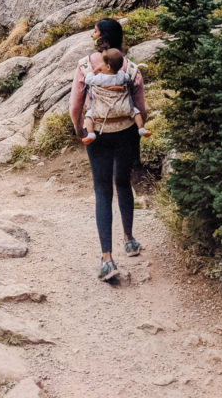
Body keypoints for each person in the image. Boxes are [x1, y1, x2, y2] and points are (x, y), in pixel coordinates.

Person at [69, 18, 148, 281]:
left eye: (95, 31)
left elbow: (75, 106)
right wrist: (136, 127)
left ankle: (107, 259)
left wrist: (80, 130)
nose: (92, 34)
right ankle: (129, 240)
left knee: (103, 190)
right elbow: (141, 107)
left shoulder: (84, 66)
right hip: (125, 132)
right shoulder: (132, 68)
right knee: (124, 184)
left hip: (98, 134)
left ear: (101, 38)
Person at [82, 47, 151, 144]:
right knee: (136, 112)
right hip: (124, 109)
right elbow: (128, 78)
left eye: (102, 63)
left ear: (108, 67)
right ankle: (141, 129)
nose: (100, 64)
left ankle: (91, 134)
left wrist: (93, 71)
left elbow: (88, 80)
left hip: (101, 112)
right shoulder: (122, 75)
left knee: (89, 115)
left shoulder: (99, 78)